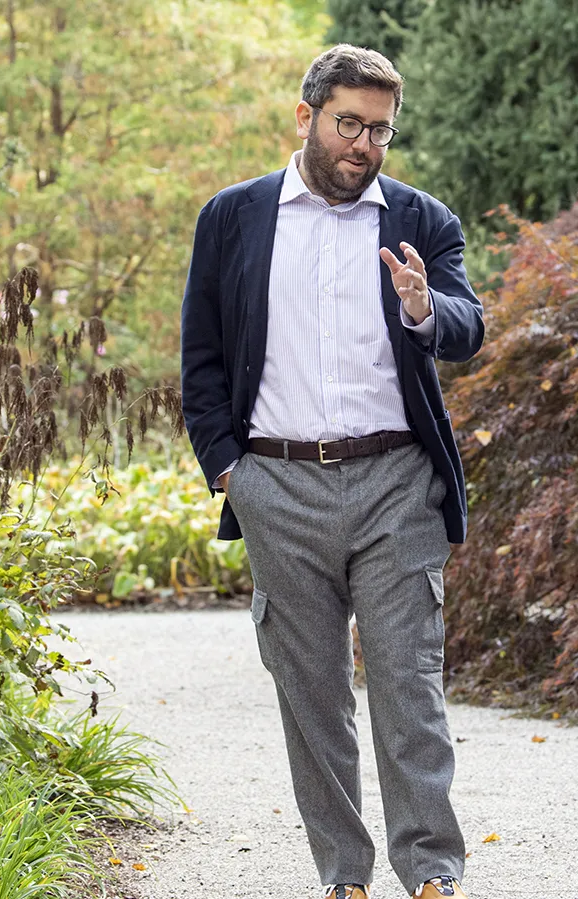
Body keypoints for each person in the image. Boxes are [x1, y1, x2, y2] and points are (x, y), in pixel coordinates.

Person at [180, 44, 483, 899]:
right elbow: (200, 359)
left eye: (380, 130)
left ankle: (430, 873)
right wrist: (228, 473)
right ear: (305, 115)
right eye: (349, 123)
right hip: (277, 484)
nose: (363, 145)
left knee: (408, 684)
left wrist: (424, 308)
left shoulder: (421, 220)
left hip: (395, 481)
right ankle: (344, 878)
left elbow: (468, 324)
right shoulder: (232, 218)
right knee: (311, 696)